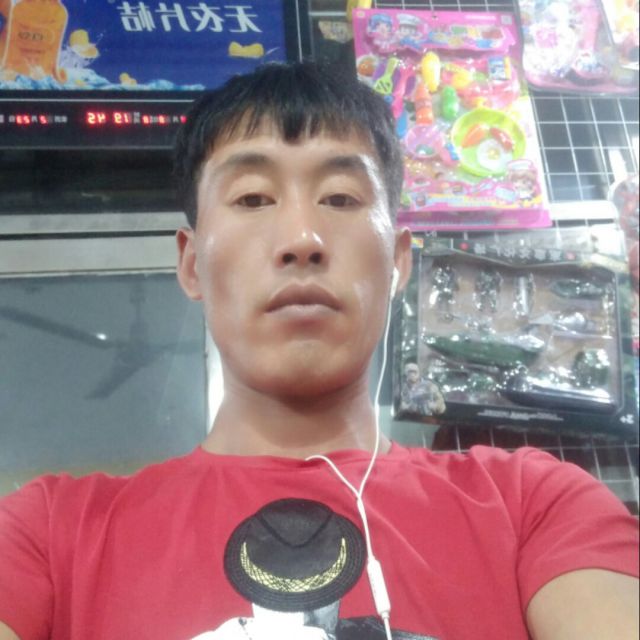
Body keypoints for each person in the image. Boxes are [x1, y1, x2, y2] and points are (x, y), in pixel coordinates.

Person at [0, 61, 638, 640]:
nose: (301, 238)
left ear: (397, 261)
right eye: (253, 198)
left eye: (340, 198)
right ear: (192, 264)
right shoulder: (48, 536)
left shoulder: (534, 506)